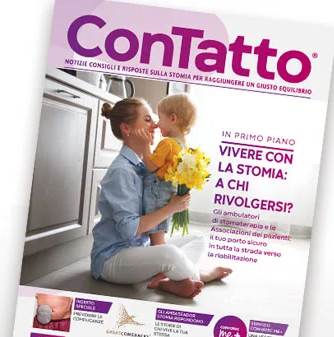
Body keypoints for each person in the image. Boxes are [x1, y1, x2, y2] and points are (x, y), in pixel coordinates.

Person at [90, 98, 231, 299]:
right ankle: (200, 275)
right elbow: (129, 230)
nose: (155, 125)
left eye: (155, 119)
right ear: (126, 128)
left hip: (140, 247)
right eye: (147, 120)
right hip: (113, 258)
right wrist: (170, 208)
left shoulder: (142, 166)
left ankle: (172, 278)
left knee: (198, 238)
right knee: (169, 254)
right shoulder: (122, 171)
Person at [142, 93, 196, 245]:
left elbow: (150, 165)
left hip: (157, 195)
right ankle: (162, 264)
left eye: (159, 117)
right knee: (159, 236)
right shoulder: (184, 146)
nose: (157, 124)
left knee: (157, 240)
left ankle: (161, 268)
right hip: (168, 194)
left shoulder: (168, 143)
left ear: (173, 119)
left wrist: (145, 145)